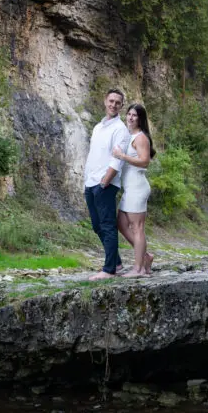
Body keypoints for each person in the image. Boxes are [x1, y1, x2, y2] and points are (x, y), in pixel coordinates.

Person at [84, 89, 130, 280]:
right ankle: (117, 262)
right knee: (97, 225)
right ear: (105, 101)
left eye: (117, 103)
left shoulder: (120, 129)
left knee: (108, 225)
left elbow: (116, 161)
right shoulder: (97, 127)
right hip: (90, 183)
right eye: (111, 101)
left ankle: (109, 269)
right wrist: (88, 181)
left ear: (121, 106)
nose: (113, 105)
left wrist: (105, 181)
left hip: (106, 184)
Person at [112, 104, 156, 278]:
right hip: (130, 188)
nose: (130, 118)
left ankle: (139, 269)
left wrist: (122, 156)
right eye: (129, 114)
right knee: (121, 224)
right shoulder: (129, 135)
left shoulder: (141, 138)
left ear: (140, 119)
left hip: (137, 187)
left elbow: (145, 162)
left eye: (134, 115)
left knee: (137, 228)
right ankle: (145, 256)